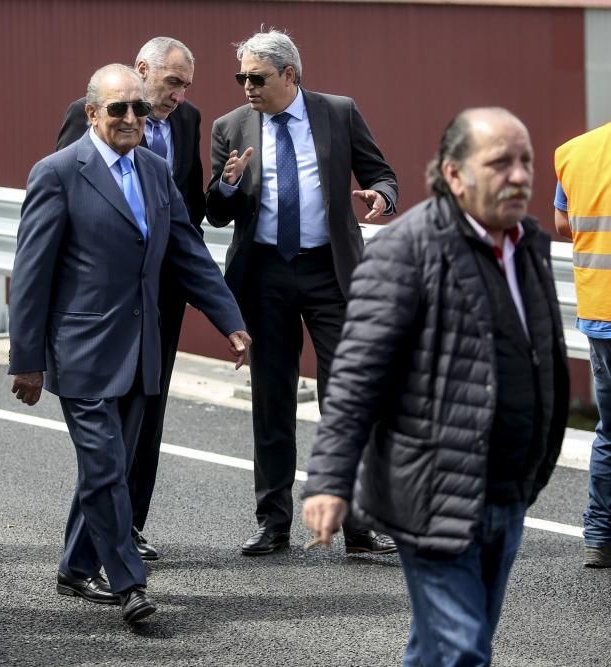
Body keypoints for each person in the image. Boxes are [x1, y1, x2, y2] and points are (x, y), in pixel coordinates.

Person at [302, 107, 569, 665]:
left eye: (525, 161)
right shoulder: (407, 250)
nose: (519, 175)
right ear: (453, 174)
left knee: (441, 649)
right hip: (431, 490)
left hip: (509, 488)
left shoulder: (529, 246)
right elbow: (355, 376)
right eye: (499, 163)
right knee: (462, 650)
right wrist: (329, 482)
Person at [8, 64, 250, 625]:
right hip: (82, 350)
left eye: (139, 108)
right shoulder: (59, 173)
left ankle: (74, 565)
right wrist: (27, 360)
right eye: (118, 108)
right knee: (107, 468)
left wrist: (228, 317)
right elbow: (32, 272)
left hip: (142, 348)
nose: (131, 118)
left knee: (108, 467)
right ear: (91, 113)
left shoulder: (156, 170)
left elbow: (187, 250)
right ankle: (128, 584)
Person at [205, 28, 399, 556]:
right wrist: (225, 183)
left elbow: (382, 174)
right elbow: (217, 213)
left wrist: (380, 197)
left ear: (290, 75)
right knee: (272, 400)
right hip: (264, 275)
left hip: (330, 273)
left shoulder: (338, 112)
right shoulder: (230, 126)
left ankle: (359, 525)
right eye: (241, 76)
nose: (246, 86)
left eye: (257, 77)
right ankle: (273, 522)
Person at [55, 37, 202, 561]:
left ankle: (128, 525)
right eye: (170, 84)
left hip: (160, 299)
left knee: (144, 420)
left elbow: (190, 216)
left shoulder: (185, 123)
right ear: (143, 71)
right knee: (105, 445)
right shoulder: (90, 117)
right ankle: (112, 556)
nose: (177, 97)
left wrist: (227, 191)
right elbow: (69, 204)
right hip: (100, 310)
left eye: (185, 86)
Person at [553, 122, 611, 568]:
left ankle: (598, 537)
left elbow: (561, 223)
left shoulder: (574, 152)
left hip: (599, 313)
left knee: (609, 432)